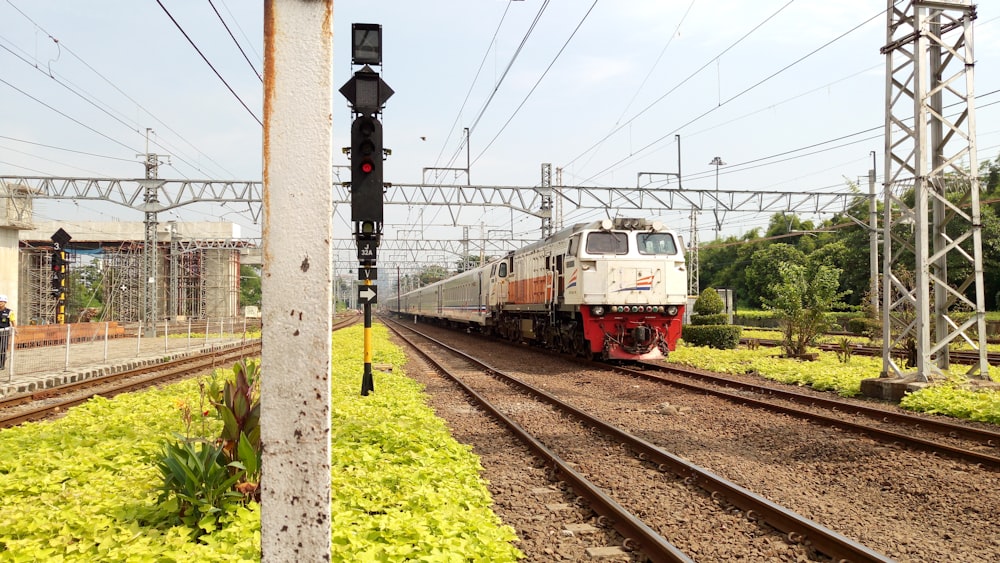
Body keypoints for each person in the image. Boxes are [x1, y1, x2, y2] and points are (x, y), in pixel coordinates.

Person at [0, 294, 15, 370]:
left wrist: (15, 330)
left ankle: (1, 365)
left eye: (1, 302)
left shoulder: (9, 312)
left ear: (5, 302)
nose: (0, 303)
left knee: (2, 348)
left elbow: (13, 322)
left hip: (4, 333)